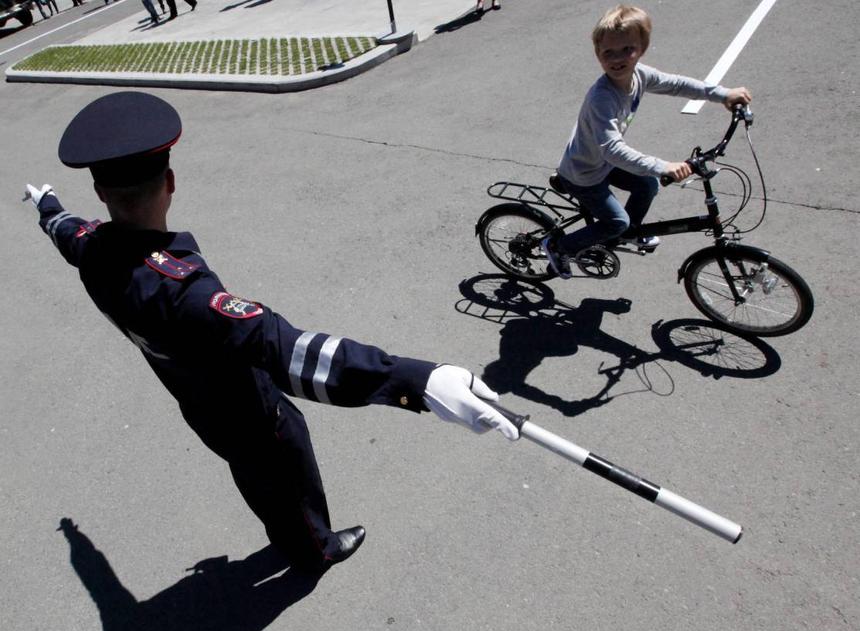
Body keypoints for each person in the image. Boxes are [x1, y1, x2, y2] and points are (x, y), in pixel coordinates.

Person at [26, 91, 518, 573]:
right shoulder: (183, 292)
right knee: (286, 472)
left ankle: (288, 533)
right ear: (170, 181)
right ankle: (314, 550)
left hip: (197, 402)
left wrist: (47, 205)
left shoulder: (92, 248)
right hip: (248, 408)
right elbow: (291, 351)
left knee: (255, 477)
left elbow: (64, 229)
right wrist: (420, 382)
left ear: (101, 192)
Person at [542, 4, 751, 279]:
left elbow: (677, 84)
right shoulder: (602, 98)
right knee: (616, 220)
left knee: (647, 185)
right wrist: (663, 165)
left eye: (627, 50)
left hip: (603, 163)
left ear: (642, 49)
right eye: (608, 52)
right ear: (598, 55)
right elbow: (612, 150)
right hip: (583, 173)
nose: (617, 59)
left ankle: (628, 234)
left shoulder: (639, 75)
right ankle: (559, 246)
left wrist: (723, 94)